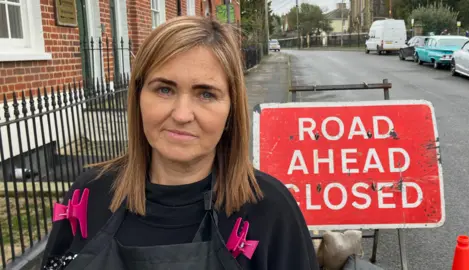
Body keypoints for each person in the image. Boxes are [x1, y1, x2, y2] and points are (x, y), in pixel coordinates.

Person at [41, 16, 319, 270]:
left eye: (206, 94)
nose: (182, 115)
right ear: (138, 97)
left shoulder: (269, 210)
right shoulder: (91, 195)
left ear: (232, 108)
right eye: (164, 89)